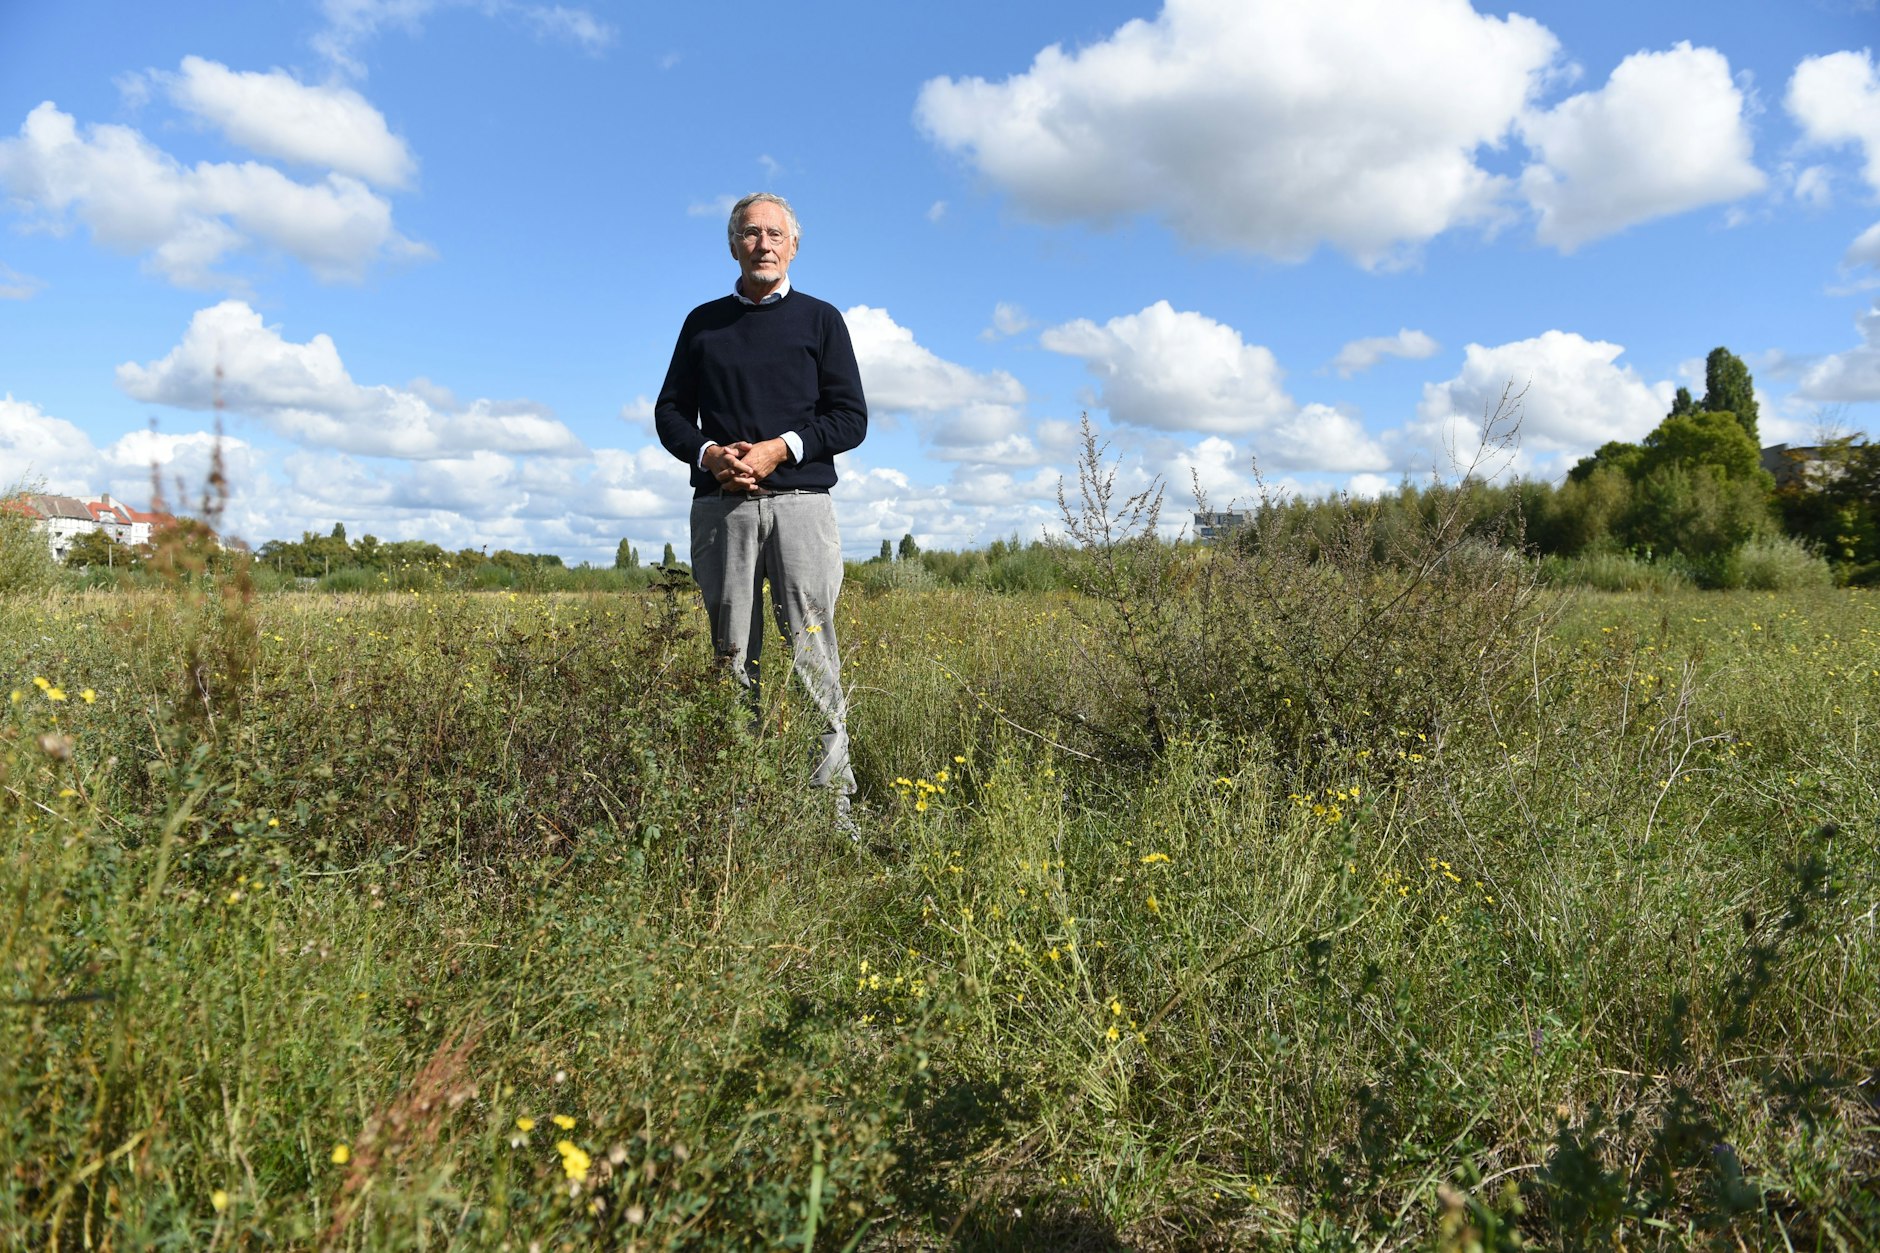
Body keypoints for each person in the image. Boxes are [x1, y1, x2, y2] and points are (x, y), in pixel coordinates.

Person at [653, 192, 867, 832]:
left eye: (775, 233)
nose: (763, 243)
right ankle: (736, 806)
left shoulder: (821, 320)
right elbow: (669, 414)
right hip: (724, 511)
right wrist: (710, 454)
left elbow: (849, 418)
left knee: (813, 657)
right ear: (733, 245)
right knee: (730, 658)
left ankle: (834, 810)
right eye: (750, 233)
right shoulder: (703, 324)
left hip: (802, 507)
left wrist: (781, 448)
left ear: (794, 245)